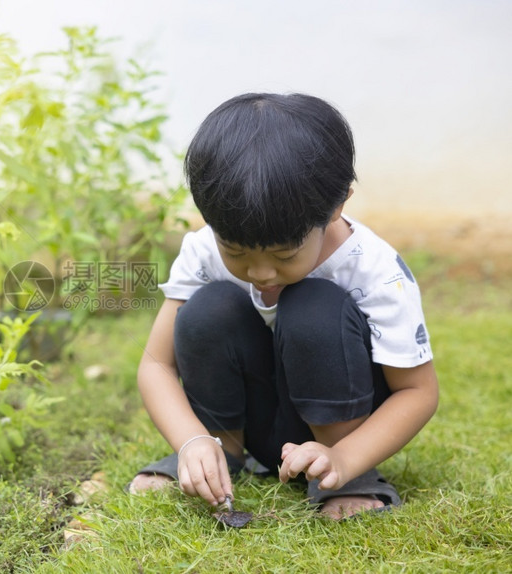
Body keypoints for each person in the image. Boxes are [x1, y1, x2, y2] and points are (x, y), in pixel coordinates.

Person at [129, 93, 439, 519]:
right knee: (207, 307)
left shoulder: (374, 270)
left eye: (283, 254)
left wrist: (347, 457)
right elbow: (156, 365)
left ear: (337, 206)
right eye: (235, 250)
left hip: (340, 435)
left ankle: (343, 476)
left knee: (313, 305)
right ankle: (222, 455)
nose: (260, 272)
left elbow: (418, 392)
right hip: (252, 421)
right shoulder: (202, 251)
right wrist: (191, 440)